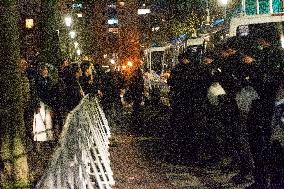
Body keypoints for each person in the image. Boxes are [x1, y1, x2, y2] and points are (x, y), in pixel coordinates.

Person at [245, 34, 284, 189]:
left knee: (273, 148)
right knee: (269, 148)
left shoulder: (272, 60)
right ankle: (266, 181)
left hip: (271, 111)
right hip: (269, 110)